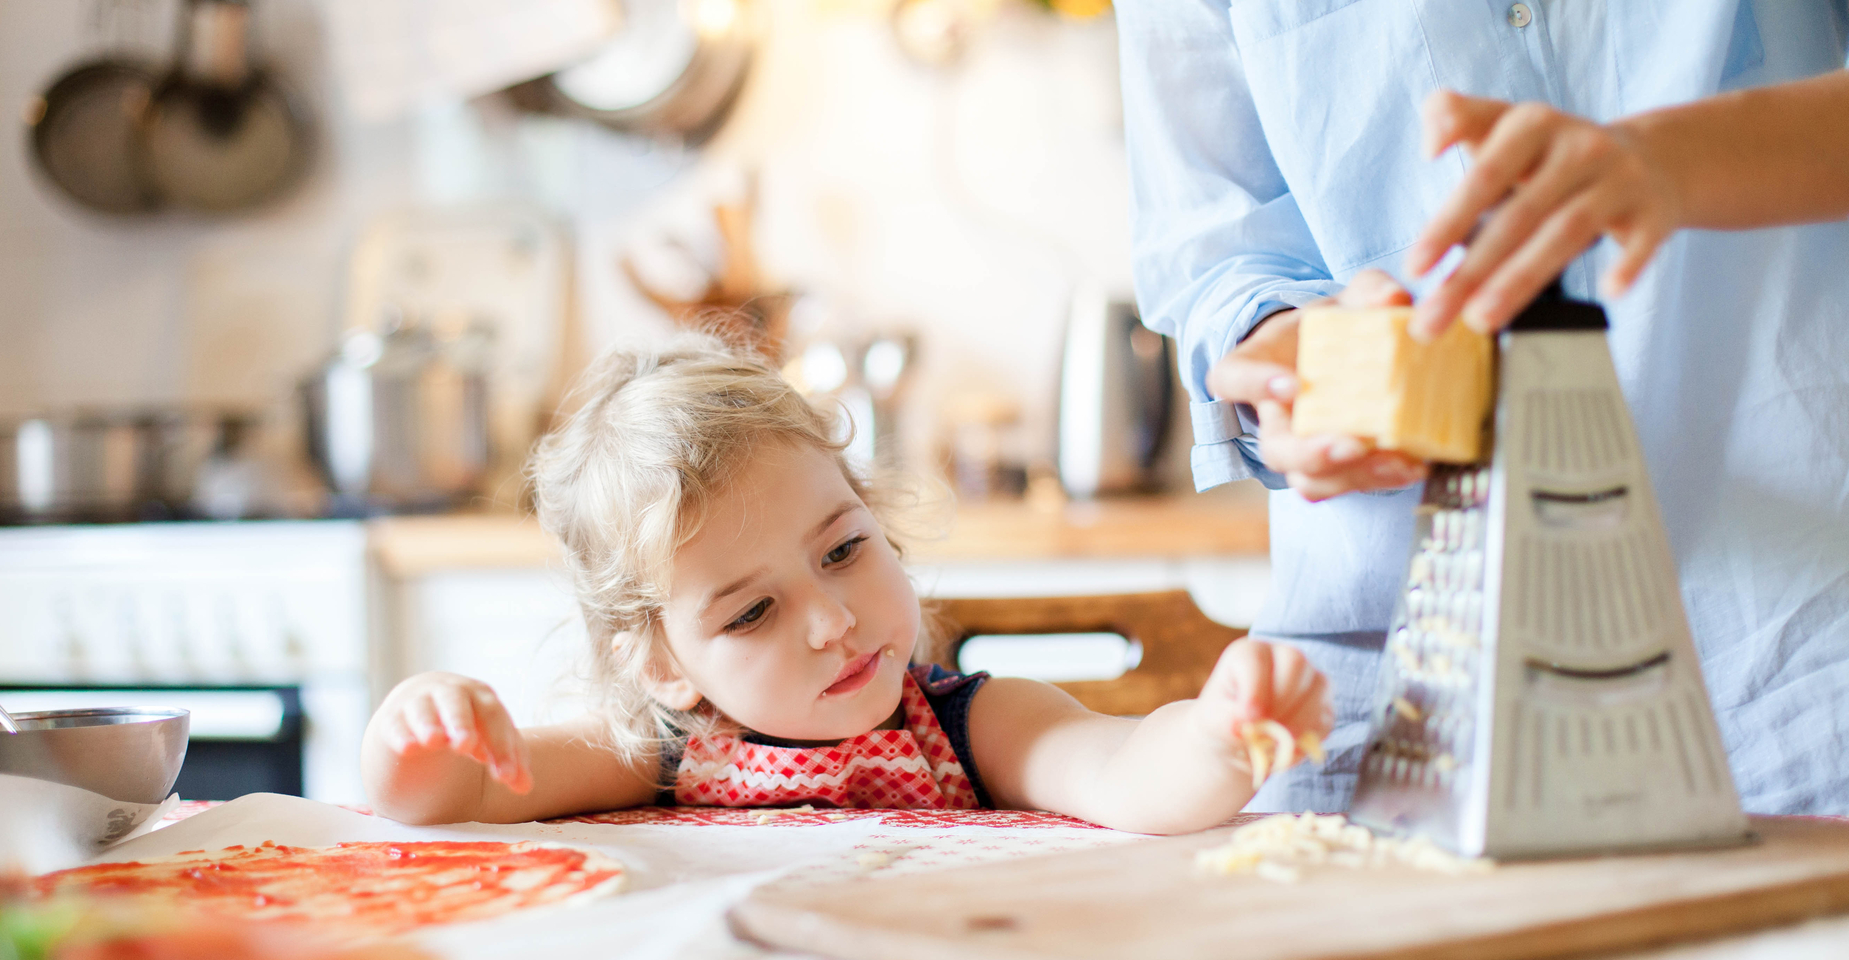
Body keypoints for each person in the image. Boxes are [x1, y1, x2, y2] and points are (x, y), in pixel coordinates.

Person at [1111, 0, 1849, 813]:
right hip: (1399, 702)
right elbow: (1218, 263)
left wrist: (1671, 160)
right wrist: (1301, 368)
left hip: (1809, 664)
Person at [361, 338, 1331, 834]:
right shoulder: (660, 754)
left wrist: (1216, 736)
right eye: (750, 610)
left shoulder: (968, 725)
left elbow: (1124, 773)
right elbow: (460, 799)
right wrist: (421, 731)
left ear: (877, 512)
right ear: (660, 660)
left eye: (842, 549)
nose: (832, 618)